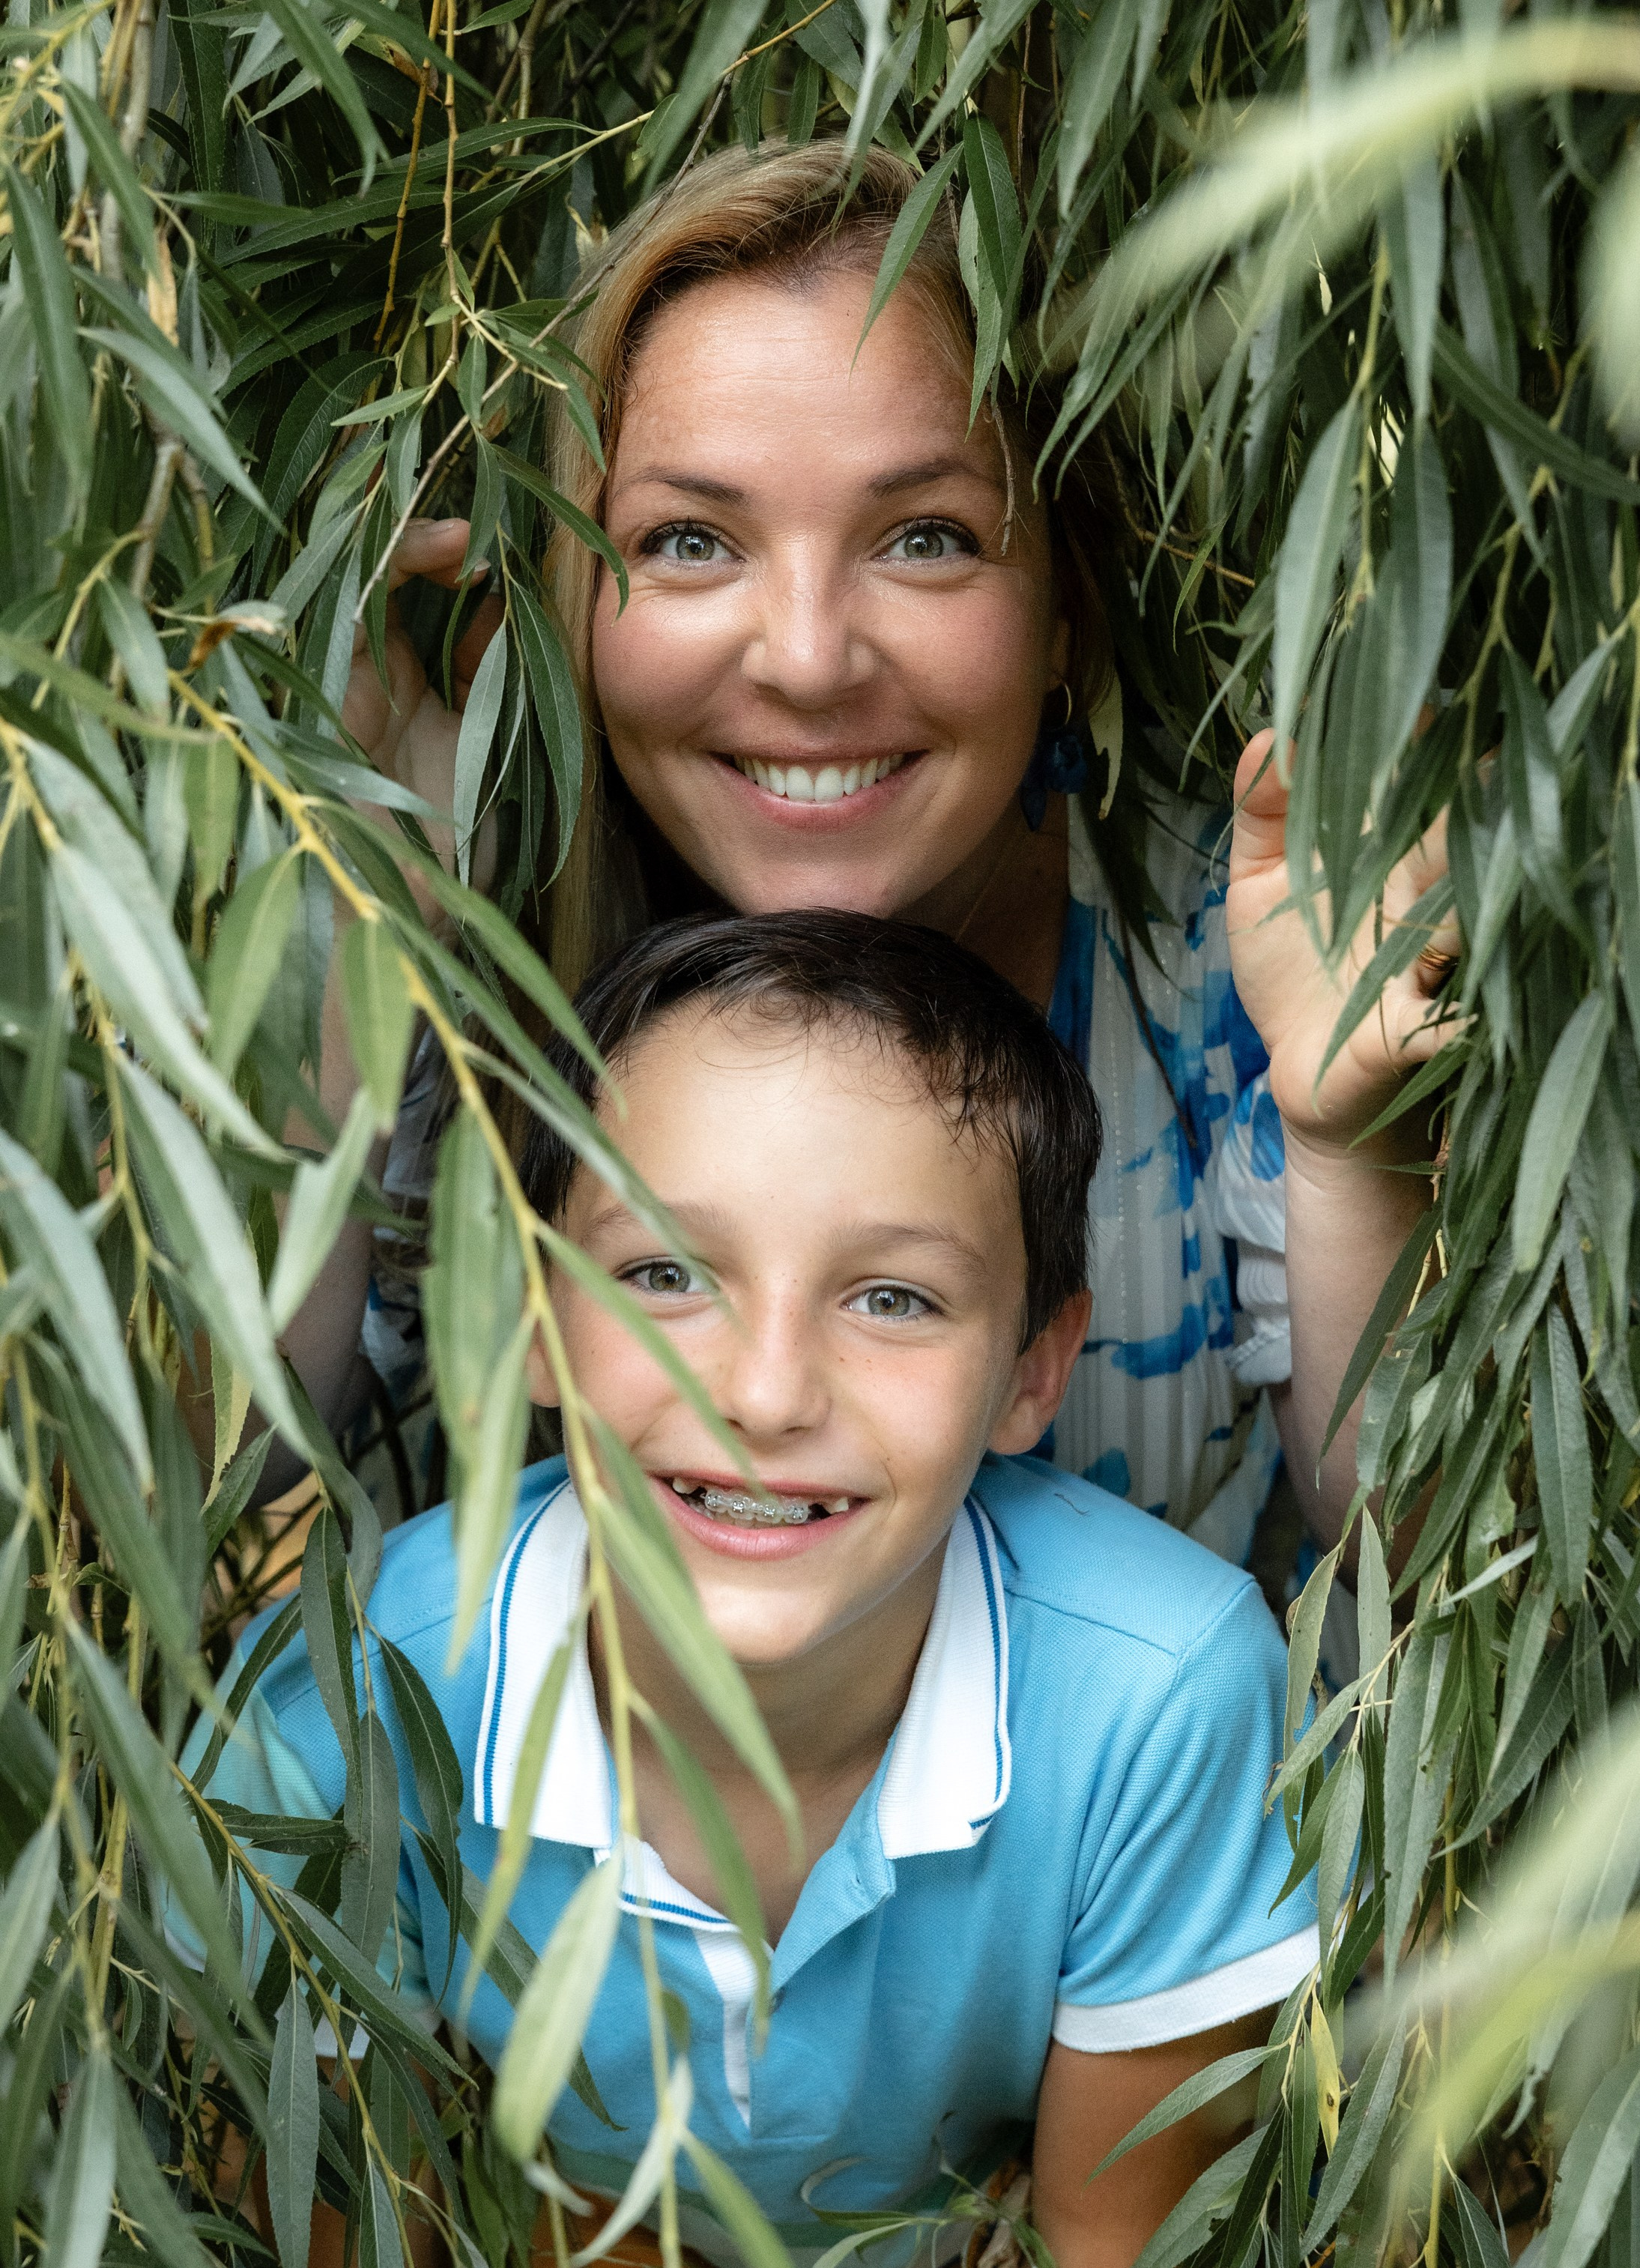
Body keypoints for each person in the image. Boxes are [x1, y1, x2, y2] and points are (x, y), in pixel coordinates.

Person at [295, 139, 1453, 1572]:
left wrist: (1342, 1143)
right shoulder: (489, 946)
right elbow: (199, 1472)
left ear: (1062, 609)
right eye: (689, 541)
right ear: (568, 606)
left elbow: (1427, 1565)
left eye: (922, 538)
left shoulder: (1226, 941)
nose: (806, 658)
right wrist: (348, 904)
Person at [187, 913, 1319, 2267]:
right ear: (535, 1316)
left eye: (892, 1298)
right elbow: (342, 2215)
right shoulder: (342, 1701)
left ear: (1032, 1367)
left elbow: (1111, 2240)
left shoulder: (1163, 1700)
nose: (766, 1396)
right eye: (663, 1274)